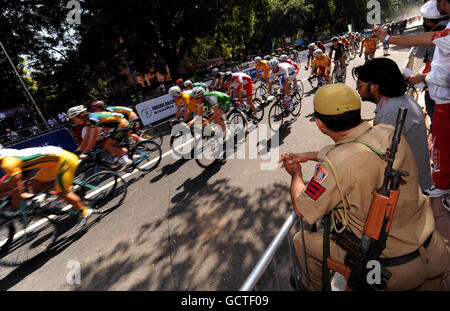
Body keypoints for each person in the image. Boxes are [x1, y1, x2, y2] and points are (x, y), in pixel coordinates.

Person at [280, 84, 450, 291]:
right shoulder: (388, 132)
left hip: (390, 271)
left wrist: (296, 174)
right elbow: (358, 149)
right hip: (434, 251)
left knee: (301, 241)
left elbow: (301, 207)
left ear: (319, 123)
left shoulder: (335, 166)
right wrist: (310, 155)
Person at [372, 0, 450, 202]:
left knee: (441, 144)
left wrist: (388, 38)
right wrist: (424, 78)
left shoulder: (390, 108)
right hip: (439, 94)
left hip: (444, 100)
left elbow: (429, 39)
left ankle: (442, 185)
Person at [352, 58, 433, 193]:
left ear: (375, 87)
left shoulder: (389, 111)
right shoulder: (400, 101)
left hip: (410, 192)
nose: (357, 88)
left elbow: (379, 157)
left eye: (359, 85)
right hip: (419, 183)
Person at [0, 145, 93, 229]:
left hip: (64, 161)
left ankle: (84, 212)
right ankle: (66, 184)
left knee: (63, 192)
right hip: (54, 162)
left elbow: (19, 189)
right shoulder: (6, 155)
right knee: (35, 184)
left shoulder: (8, 163)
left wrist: (14, 207)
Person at [411, 0, 448, 133]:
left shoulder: (432, 35)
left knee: (437, 122)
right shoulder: (447, 28)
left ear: (427, 21)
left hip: (436, 84)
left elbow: (418, 54)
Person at [67, 105, 136, 171]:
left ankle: (127, 161)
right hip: (119, 125)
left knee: (108, 145)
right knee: (114, 146)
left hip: (123, 124)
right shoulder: (88, 120)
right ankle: (133, 157)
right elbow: (86, 137)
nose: (75, 121)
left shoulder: (92, 119)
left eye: (75, 119)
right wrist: (79, 150)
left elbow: (94, 137)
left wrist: (85, 152)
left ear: (81, 115)